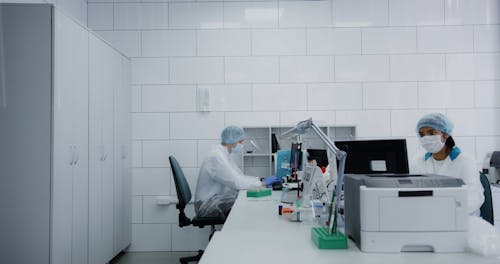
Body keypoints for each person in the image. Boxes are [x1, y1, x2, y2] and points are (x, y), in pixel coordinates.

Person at [194, 126, 280, 218]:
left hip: (214, 201)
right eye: (240, 142)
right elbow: (236, 182)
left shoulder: (224, 155)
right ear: (231, 140)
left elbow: (239, 176)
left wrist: (260, 180)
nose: (242, 145)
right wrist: (261, 183)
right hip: (207, 206)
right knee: (248, 206)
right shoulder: (216, 157)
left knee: (249, 203)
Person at [410, 113, 484, 215]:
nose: (426, 138)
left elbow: (473, 198)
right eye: (422, 134)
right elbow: (414, 195)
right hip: (427, 217)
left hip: (463, 217)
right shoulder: (417, 162)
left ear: (445, 134)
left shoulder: (466, 161)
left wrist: (443, 212)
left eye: (431, 133)